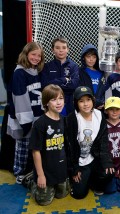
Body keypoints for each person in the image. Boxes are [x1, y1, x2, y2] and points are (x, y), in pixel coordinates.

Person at [65, 86, 114, 199]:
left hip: (94, 157)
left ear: (93, 100)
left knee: (109, 172)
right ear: (76, 103)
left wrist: (106, 161)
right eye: (81, 101)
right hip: (80, 161)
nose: (86, 104)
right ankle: (81, 179)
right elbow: (70, 147)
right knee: (79, 194)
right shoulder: (72, 119)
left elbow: (103, 140)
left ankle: (92, 181)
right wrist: (74, 169)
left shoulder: (99, 115)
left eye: (88, 100)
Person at [7, 42, 45, 184]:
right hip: (25, 118)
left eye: (39, 56)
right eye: (33, 54)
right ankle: (19, 172)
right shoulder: (19, 73)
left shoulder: (38, 71)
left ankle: (33, 170)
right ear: (26, 54)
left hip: (38, 116)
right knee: (22, 147)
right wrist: (26, 122)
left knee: (35, 147)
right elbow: (20, 98)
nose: (36, 58)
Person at [29, 84, 69, 205]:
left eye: (61, 98)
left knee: (62, 195)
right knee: (44, 202)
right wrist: (41, 176)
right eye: (53, 99)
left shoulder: (64, 120)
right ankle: (31, 180)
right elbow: (35, 151)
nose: (58, 103)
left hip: (60, 169)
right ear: (46, 103)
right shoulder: (40, 124)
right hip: (45, 170)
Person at [40, 36, 79, 116]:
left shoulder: (73, 66)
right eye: (57, 48)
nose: (61, 50)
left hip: (69, 105)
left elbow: (74, 85)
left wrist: (54, 83)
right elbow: (45, 86)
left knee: (68, 126)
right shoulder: (47, 66)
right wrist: (65, 80)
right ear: (52, 50)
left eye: (64, 47)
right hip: (51, 105)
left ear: (68, 49)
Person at [104, 96, 120, 193]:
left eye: (117, 109)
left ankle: (119, 178)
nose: (114, 112)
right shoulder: (103, 125)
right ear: (106, 110)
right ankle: (112, 178)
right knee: (109, 190)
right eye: (111, 109)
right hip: (108, 164)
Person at [79, 44, 106, 110]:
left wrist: (103, 103)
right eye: (88, 57)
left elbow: (104, 91)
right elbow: (80, 91)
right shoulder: (80, 72)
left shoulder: (102, 73)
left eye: (94, 57)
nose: (91, 59)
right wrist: (94, 102)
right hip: (86, 107)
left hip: (100, 108)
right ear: (83, 58)